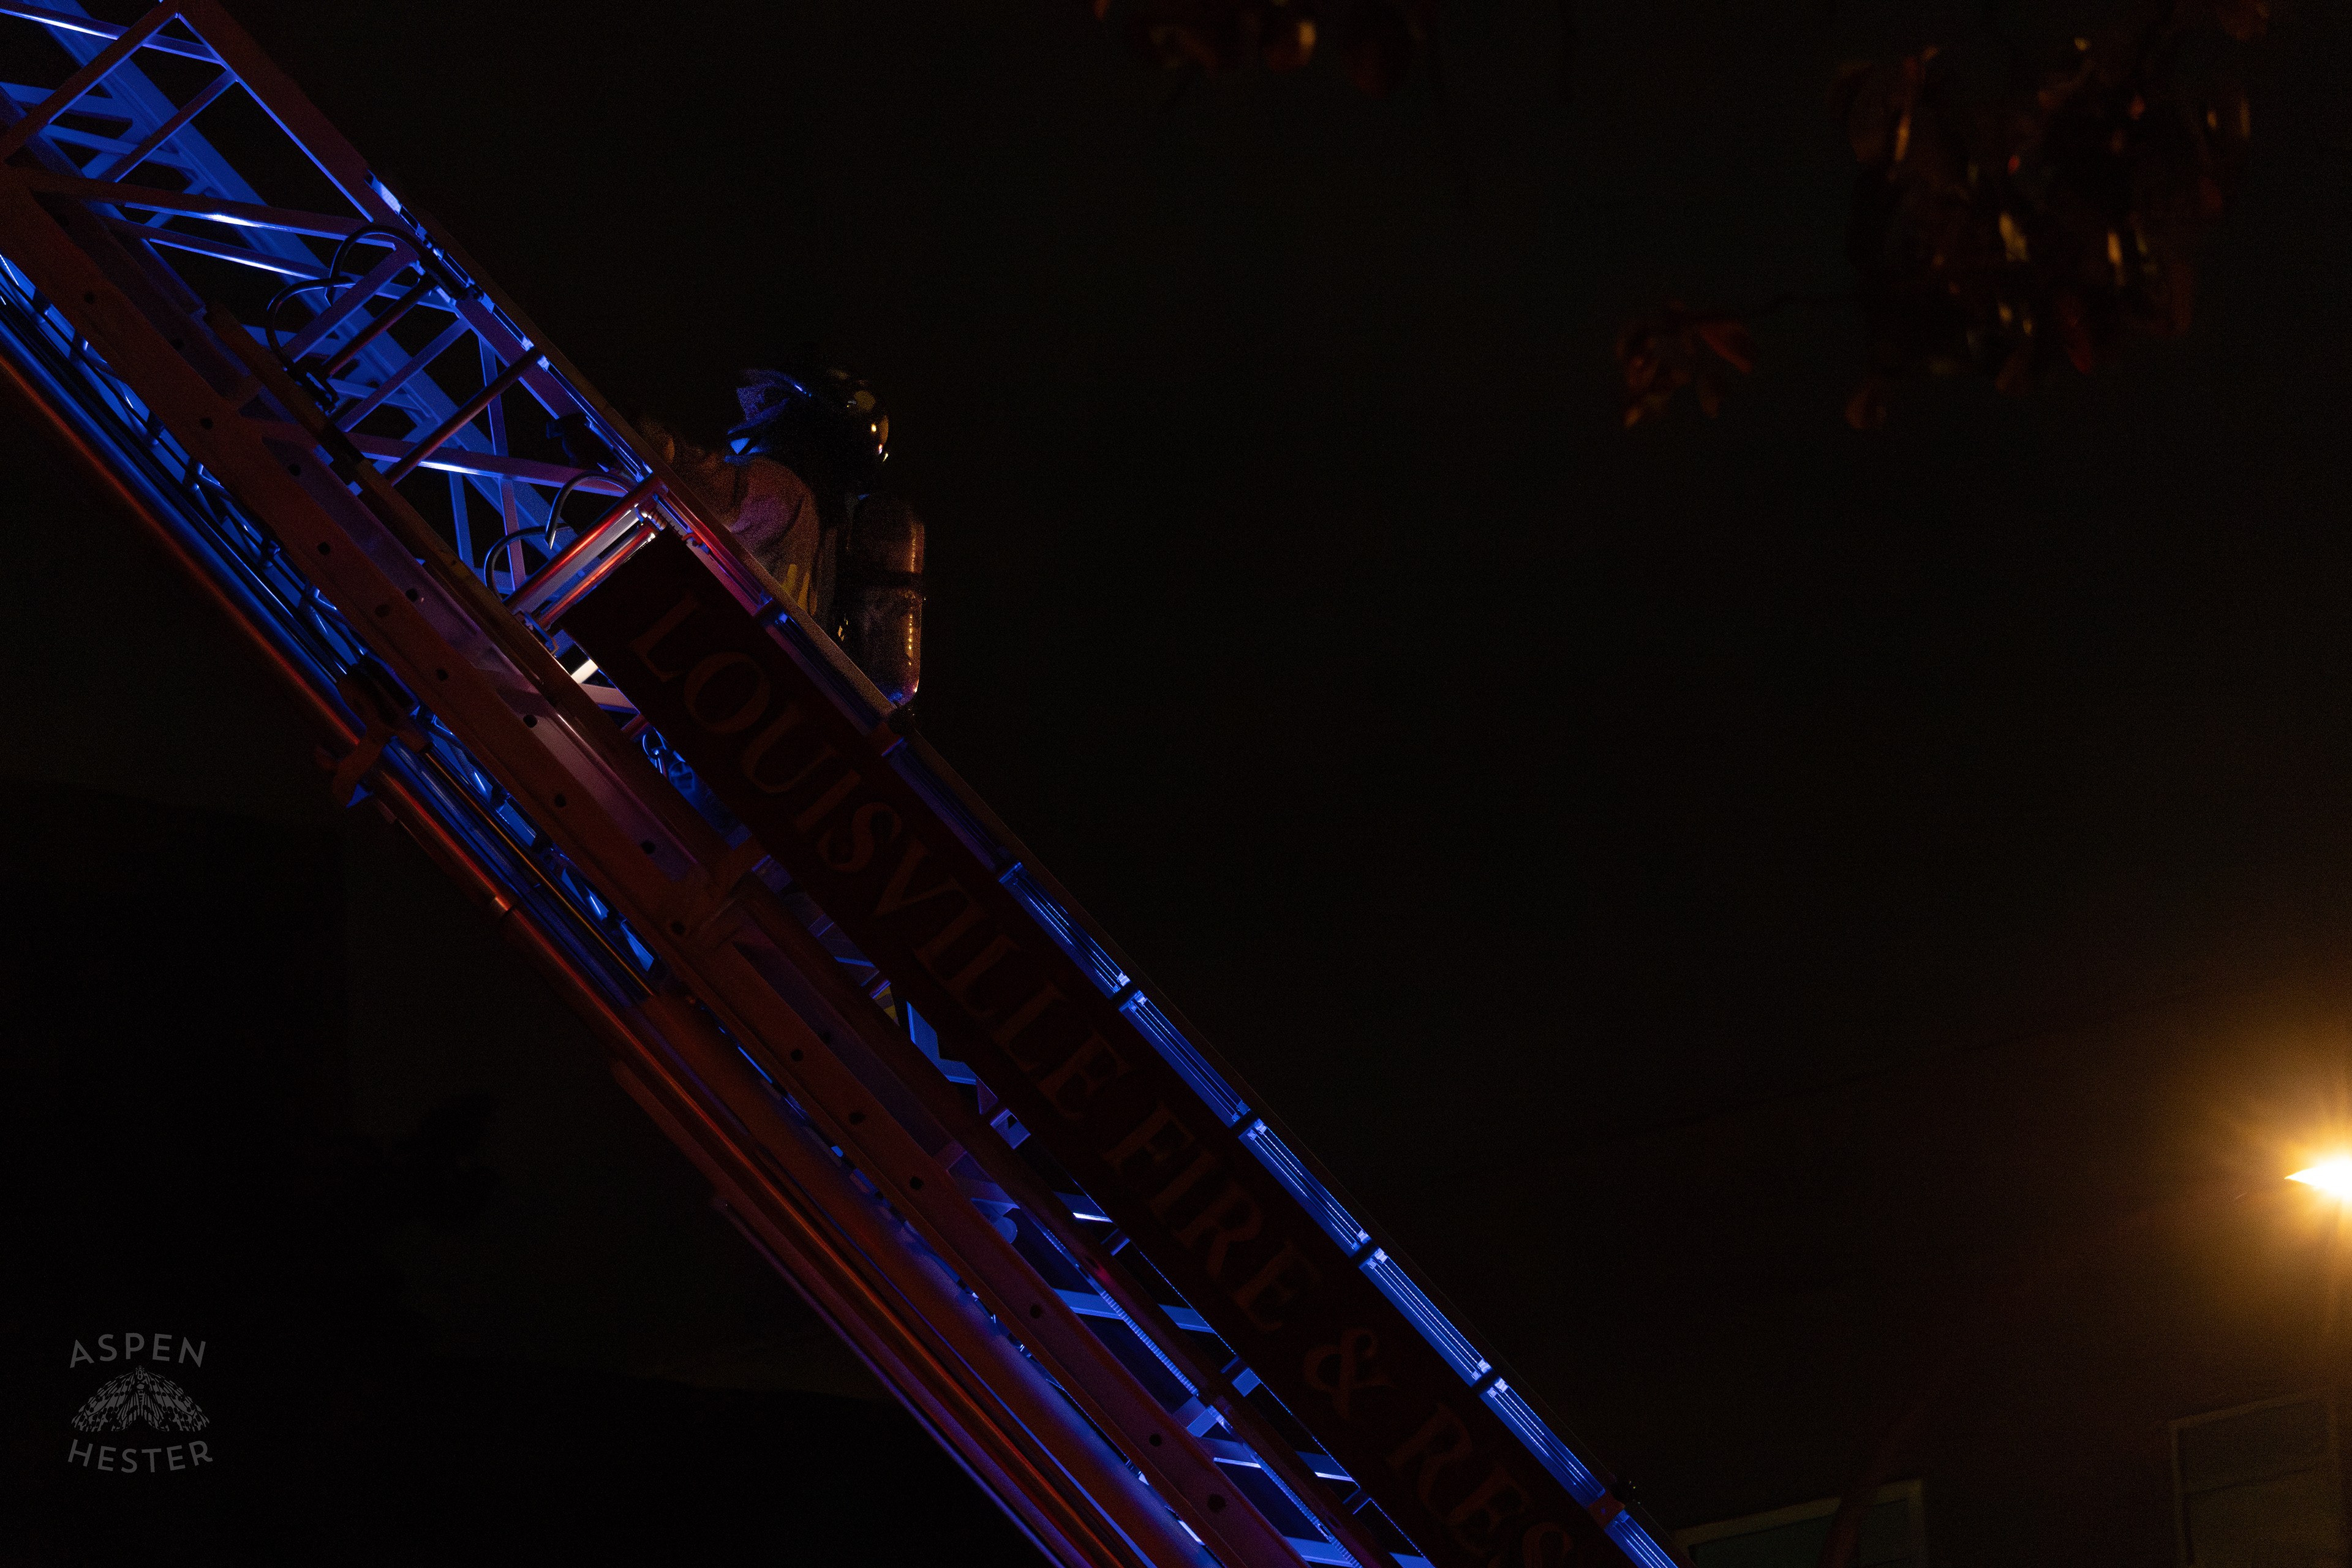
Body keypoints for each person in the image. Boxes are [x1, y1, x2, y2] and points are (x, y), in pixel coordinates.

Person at [639, 362, 925, 707]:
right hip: (750, 684)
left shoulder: (782, 489)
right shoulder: (825, 529)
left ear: (806, 422)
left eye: (772, 401)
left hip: (707, 668)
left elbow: (706, 483)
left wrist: (638, 428)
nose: (756, 410)